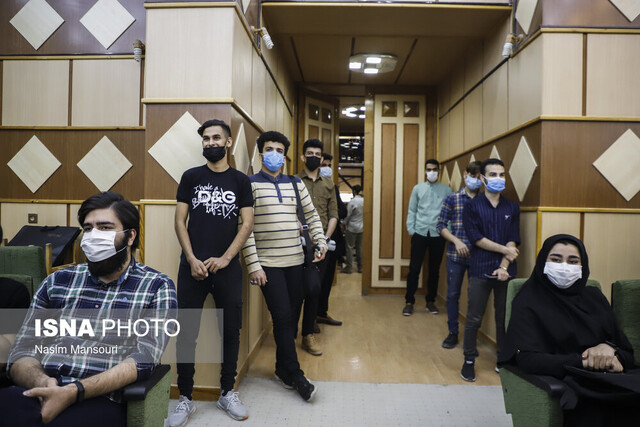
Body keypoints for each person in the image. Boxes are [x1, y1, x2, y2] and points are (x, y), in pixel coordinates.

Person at [0, 192, 177, 427]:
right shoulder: (57, 282)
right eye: (88, 228)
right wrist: (44, 383)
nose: (94, 235)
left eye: (105, 227)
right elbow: (22, 351)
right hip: (40, 389)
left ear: (130, 236)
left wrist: (74, 391)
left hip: (99, 398)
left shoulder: (157, 287)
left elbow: (144, 359)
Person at [500, 234, 640, 426]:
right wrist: (585, 361)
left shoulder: (594, 297)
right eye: (556, 259)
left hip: (614, 381)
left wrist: (610, 350)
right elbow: (528, 359)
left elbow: (627, 353)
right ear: (543, 262)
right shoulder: (528, 300)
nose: (564, 266)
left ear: (583, 266)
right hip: (574, 384)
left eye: (573, 261)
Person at [170, 119, 254, 424]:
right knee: (186, 334)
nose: (210, 143)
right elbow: (180, 222)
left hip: (227, 269)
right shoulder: (191, 177)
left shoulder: (240, 181)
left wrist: (226, 258)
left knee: (230, 331)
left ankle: (226, 392)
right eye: (206, 139)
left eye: (216, 138)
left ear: (228, 142)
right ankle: (185, 398)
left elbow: (247, 224)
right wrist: (192, 259)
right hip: (191, 269)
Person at [241, 130, 327, 402]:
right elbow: (245, 229)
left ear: (286, 156)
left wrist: (321, 241)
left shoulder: (295, 183)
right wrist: (254, 265)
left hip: (296, 262)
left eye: (279, 150)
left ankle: (282, 369)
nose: (274, 154)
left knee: (290, 318)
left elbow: (311, 214)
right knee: (281, 317)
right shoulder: (249, 185)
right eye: (269, 149)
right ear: (260, 153)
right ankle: (297, 375)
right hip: (268, 265)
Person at [460, 158, 520, 382]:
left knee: (504, 318)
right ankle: (468, 360)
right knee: (474, 317)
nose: (498, 179)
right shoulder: (472, 206)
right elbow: (476, 239)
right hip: (479, 269)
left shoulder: (512, 207)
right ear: (483, 178)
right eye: (493, 175)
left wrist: (504, 266)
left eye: (502, 175)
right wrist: (504, 250)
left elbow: (513, 239)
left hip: (506, 271)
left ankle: (502, 359)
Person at [297, 139, 340, 356]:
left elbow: (334, 215)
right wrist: (305, 232)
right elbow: (289, 211)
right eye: (310, 153)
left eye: (317, 154)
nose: (314, 157)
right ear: (303, 157)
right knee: (296, 290)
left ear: (322, 159)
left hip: (321, 245)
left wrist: (324, 238)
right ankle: (289, 333)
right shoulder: (293, 182)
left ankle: (307, 334)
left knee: (315, 289)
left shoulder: (329, 185)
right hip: (297, 243)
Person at [437, 161, 482, 349]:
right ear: (465, 174)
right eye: (472, 175)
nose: (475, 180)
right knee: (453, 295)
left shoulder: (484, 201)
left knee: (475, 298)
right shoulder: (452, 198)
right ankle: (453, 332)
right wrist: (456, 241)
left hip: (478, 258)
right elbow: (440, 225)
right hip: (455, 256)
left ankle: (471, 336)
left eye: (478, 177)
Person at [404, 159, 452, 316]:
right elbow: (412, 210)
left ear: (439, 171)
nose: (432, 172)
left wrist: (448, 231)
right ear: (425, 171)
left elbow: (449, 213)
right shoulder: (418, 189)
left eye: (434, 169)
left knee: (434, 270)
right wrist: (412, 230)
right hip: (420, 232)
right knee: (414, 269)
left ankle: (430, 301)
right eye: (429, 169)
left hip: (438, 234)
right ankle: (409, 302)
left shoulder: (446, 190)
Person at [317, 153, 347, 321]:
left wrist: (332, 214)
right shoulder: (307, 185)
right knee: (316, 282)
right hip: (314, 240)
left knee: (327, 279)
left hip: (332, 241)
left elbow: (342, 211)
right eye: (324, 165)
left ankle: (322, 313)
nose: (326, 168)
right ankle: (311, 319)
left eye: (329, 165)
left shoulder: (332, 187)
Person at [343, 185, 363, 274]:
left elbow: (348, 215)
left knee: (350, 247)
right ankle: (360, 267)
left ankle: (349, 267)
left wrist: (344, 224)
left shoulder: (352, 202)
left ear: (354, 191)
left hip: (351, 227)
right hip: (362, 227)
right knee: (360, 248)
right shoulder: (364, 201)